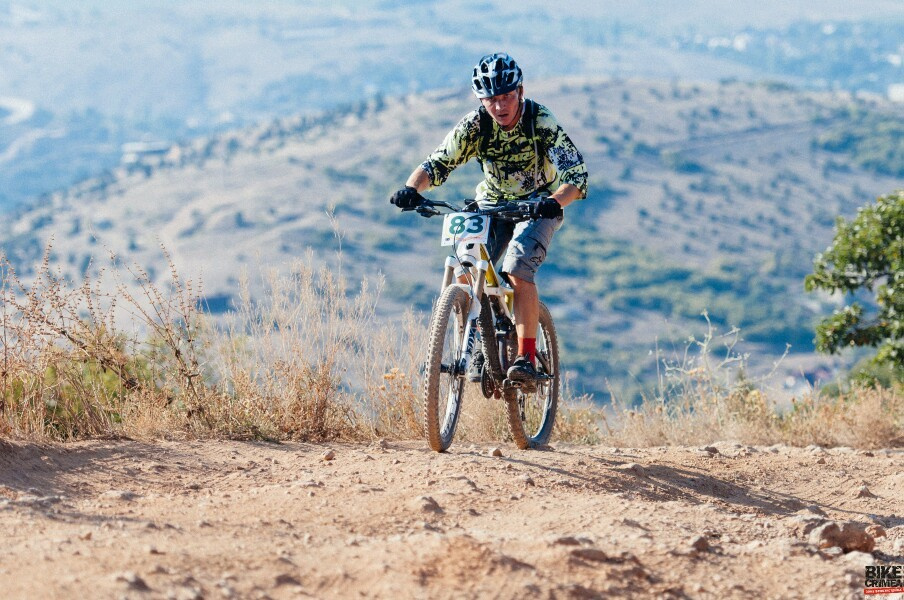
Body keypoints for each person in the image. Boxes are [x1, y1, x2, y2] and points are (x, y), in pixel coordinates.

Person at [389, 52, 588, 387]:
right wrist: (412, 188)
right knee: (466, 269)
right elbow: (438, 163)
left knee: (517, 269)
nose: (500, 106)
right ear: (481, 100)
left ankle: (525, 357)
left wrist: (555, 202)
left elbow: (576, 174)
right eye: (491, 99)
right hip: (491, 205)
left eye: (507, 97)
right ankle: (479, 341)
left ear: (520, 91)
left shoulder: (540, 120)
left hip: (537, 205)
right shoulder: (476, 125)